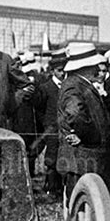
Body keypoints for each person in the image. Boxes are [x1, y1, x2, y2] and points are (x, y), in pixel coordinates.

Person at [56, 43, 110, 195]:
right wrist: (88, 137)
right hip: (82, 158)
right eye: (95, 65)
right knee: (82, 205)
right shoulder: (74, 85)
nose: (98, 68)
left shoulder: (80, 83)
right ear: (87, 66)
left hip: (87, 158)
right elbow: (75, 113)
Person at [32, 49, 66, 197]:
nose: (62, 73)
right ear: (52, 71)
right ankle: (52, 187)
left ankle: (61, 186)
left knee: (64, 155)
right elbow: (39, 108)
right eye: (59, 71)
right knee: (52, 156)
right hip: (51, 127)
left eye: (64, 70)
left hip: (65, 127)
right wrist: (47, 123)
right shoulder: (46, 87)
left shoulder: (67, 86)